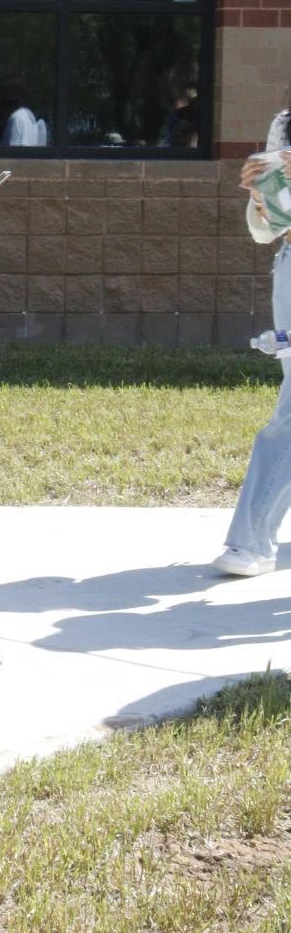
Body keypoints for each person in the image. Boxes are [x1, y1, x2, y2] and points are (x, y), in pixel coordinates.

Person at [214, 96, 291, 578]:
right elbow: (268, 229)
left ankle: (251, 541)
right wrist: (263, 196)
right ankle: (251, 540)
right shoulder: (285, 123)